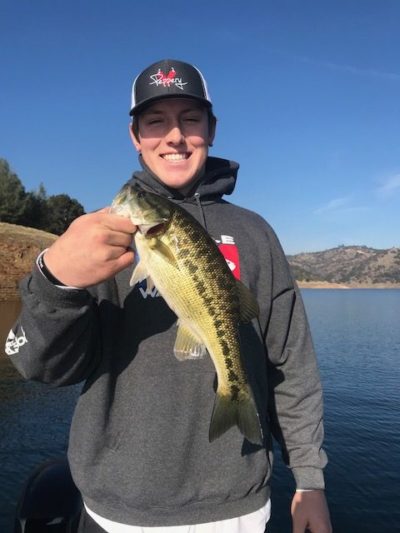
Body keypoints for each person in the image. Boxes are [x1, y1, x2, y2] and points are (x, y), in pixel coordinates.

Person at [7, 59, 332, 533]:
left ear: (211, 130)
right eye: (155, 122)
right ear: (135, 136)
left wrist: (309, 481)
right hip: (118, 509)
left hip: (237, 506)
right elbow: (41, 366)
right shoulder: (98, 238)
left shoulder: (257, 234)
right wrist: (56, 279)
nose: (174, 136)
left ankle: (232, 396)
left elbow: (292, 363)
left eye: (190, 119)